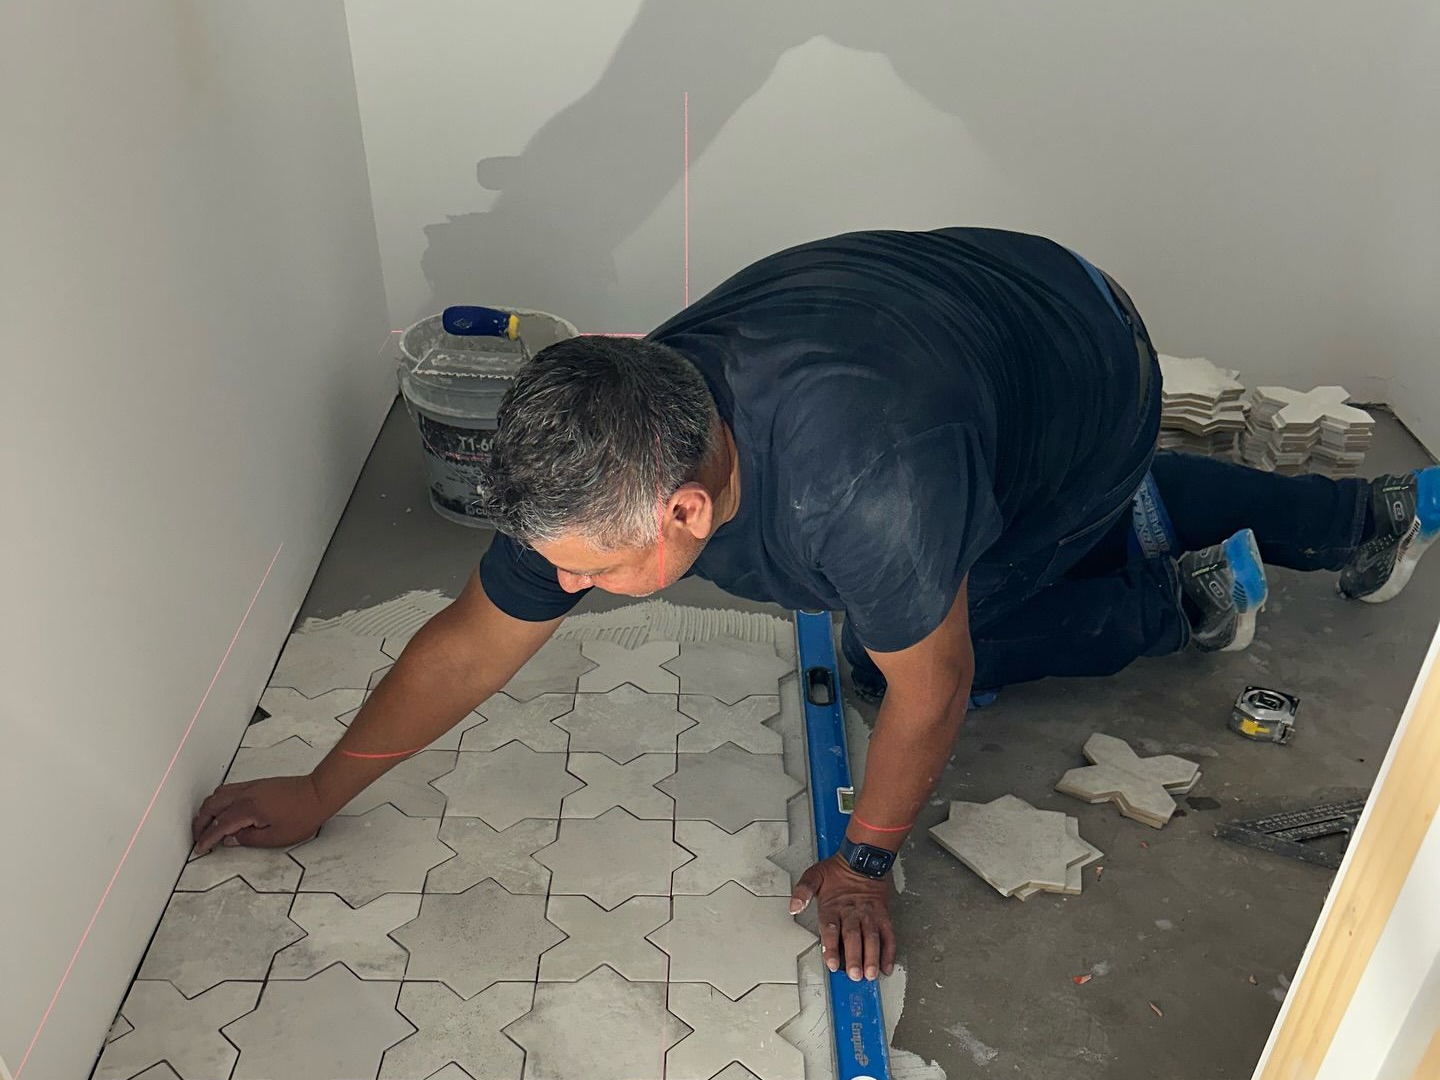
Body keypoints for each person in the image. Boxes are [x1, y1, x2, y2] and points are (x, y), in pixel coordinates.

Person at [193, 227, 1438, 980]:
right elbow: (473, 641)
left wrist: (862, 865)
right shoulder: (625, 423)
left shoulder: (869, 493)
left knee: (916, 649)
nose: (562, 588)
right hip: (990, 323)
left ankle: (1192, 601)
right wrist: (320, 788)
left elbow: (934, 689)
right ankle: (1368, 515)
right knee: (932, 580)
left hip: (1089, 364)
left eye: (585, 570)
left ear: (684, 512)